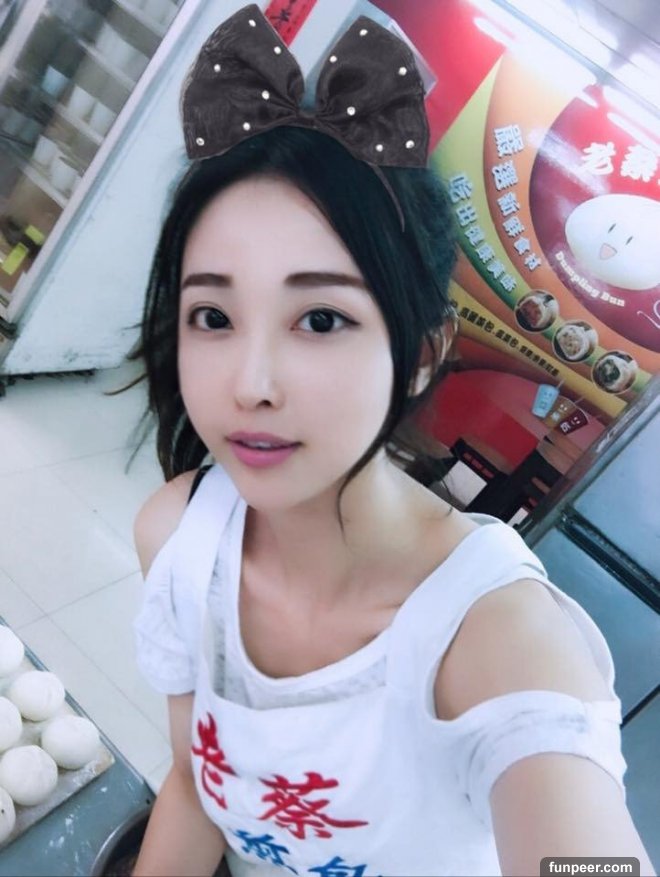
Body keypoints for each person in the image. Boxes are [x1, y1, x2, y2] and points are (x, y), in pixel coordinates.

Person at [130, 6, 654, 876]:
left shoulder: (495, 641)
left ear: (420, 355)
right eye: (213, 316)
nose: (250, 383)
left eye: (320, 319)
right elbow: (194, 783)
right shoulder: (178, 538)